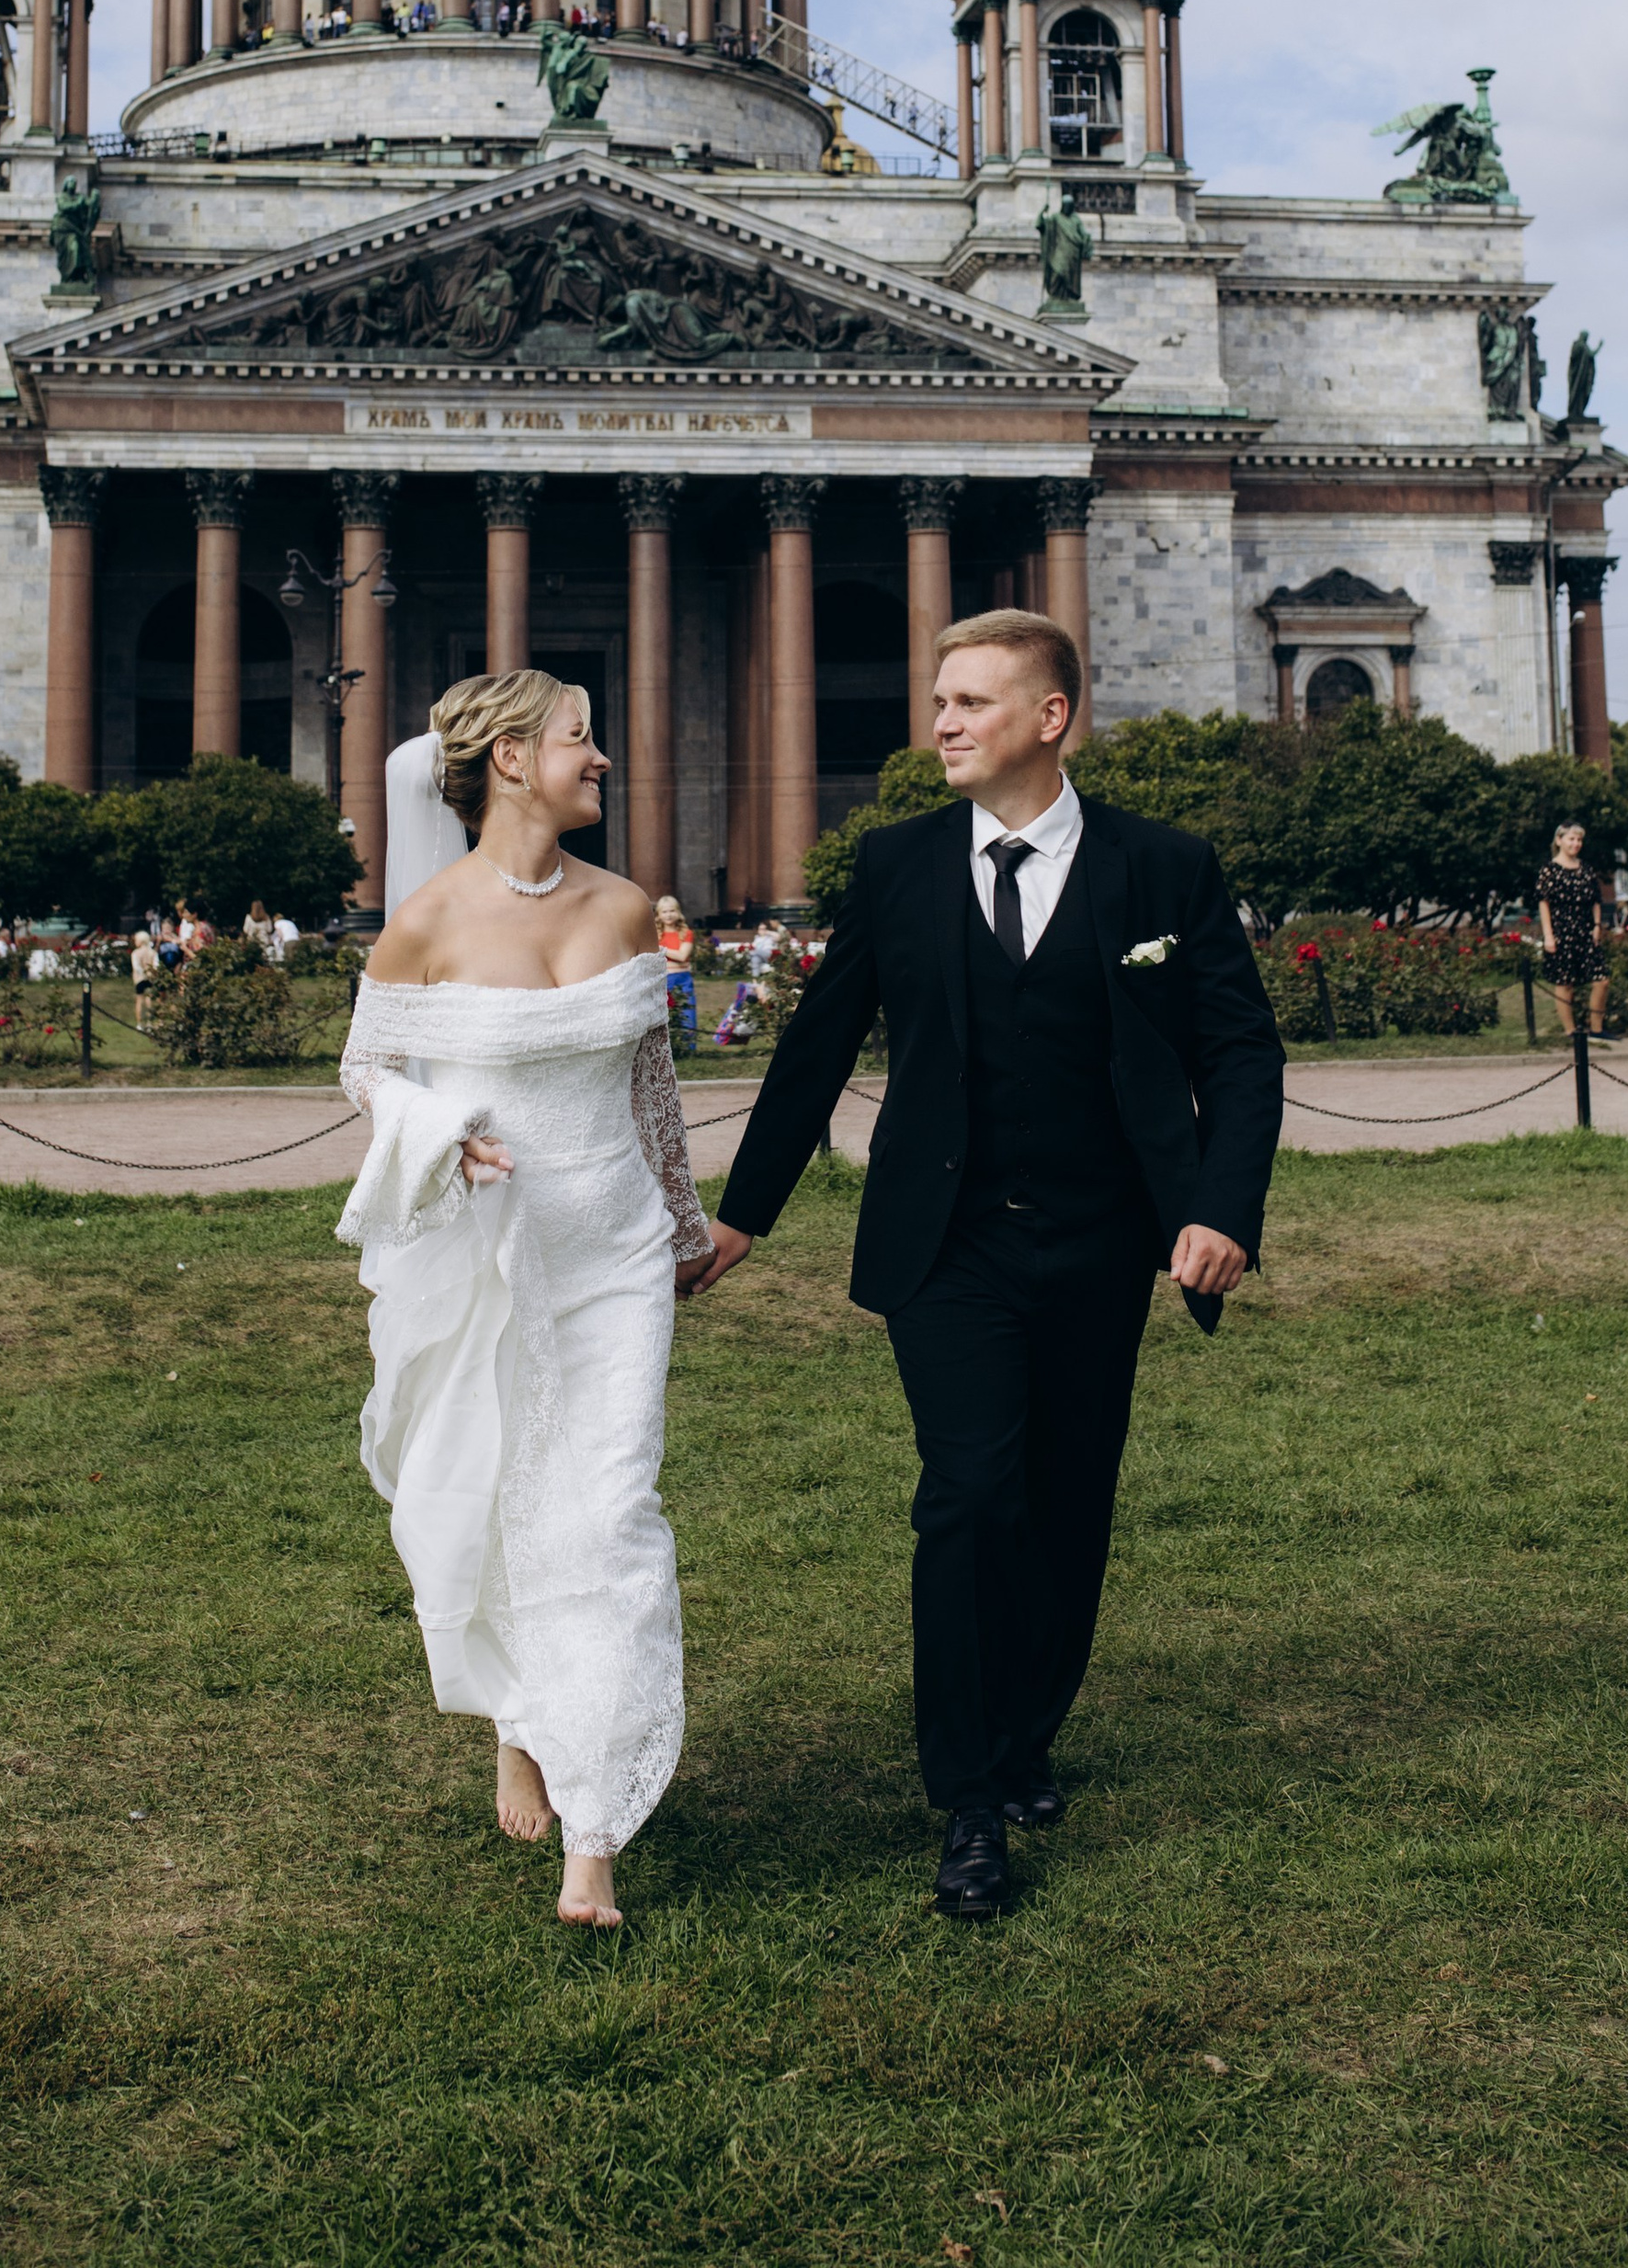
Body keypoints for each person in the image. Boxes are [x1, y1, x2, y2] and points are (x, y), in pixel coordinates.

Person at [695, 609, 1283, 1921]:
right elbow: (817, 1046)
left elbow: (1242, 1051)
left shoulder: (1163, 868)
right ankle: (967, 1799)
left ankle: (1024, 1742)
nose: (943, 723)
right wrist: (744, 1216)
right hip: (945, 1244)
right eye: (940, 700)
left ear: (1050, 718)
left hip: (1103, 1241)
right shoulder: (895, 865)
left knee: (1068, 1501)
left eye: (970, 702)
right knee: (967, 1495)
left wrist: (1221, 1209)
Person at [338, 670, 714, 1931]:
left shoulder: (624, 910)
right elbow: (366, 1069)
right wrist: (437, 1133)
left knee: (608, 1513)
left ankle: (591, 1841)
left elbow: (652, 1088)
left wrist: (684, 1224)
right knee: (504, 1500)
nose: (599, 759)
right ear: (509, 758)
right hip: (494, 1261)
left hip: (615, 1256)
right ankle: (520, 1719)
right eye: (578, 739)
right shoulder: (428, 922)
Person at [1536, 823, 1611, 1034]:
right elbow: (1544, 903)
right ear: (1559, 840)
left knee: (1602, 980)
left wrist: (1597, 925)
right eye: (1571, 839)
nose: (1576, 844)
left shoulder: (1586, 869)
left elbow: (1596, 900)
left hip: (1586, 931)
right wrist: (1548, 935)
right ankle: (1571, 1032)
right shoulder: (1549, 870)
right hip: (1561, 932)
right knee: (1565, 983)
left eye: (1579, 840)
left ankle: (1596, 1029)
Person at [655, 894, 698, 1048]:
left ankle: (688, 1048)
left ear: (678, 912)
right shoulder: (654, 934)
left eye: (672, 911)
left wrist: (660, 949)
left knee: (687, 1012)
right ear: (658, 915)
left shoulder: (686, 933)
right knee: (661, 1014)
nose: (668, 915)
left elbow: (682, 956)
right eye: (664, 911)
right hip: (661, 978)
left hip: (682, 978)